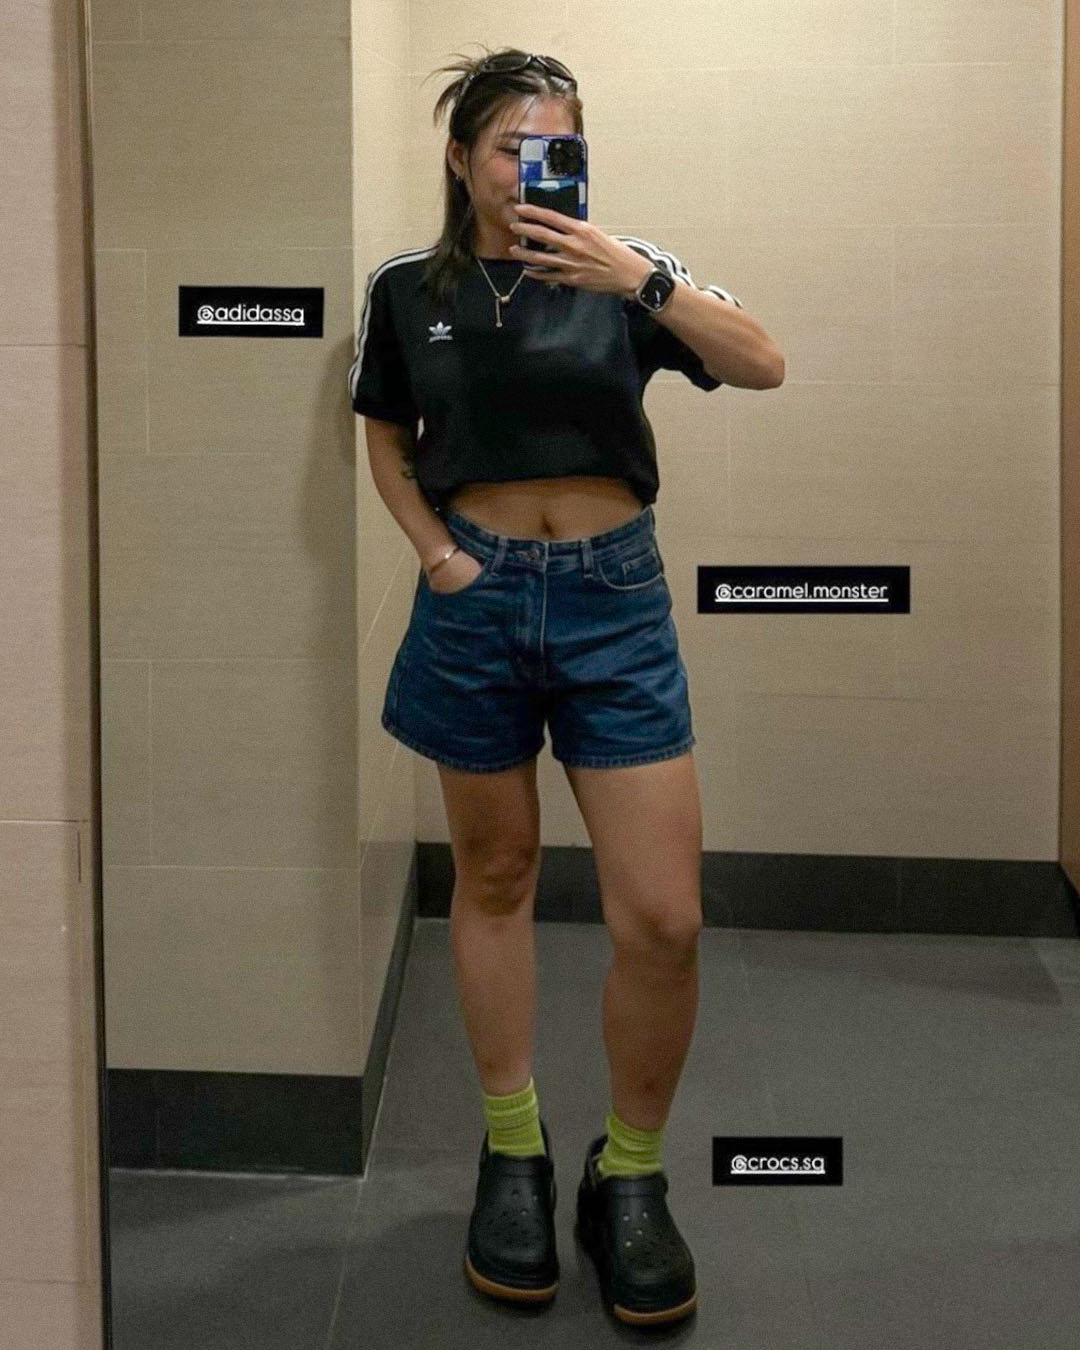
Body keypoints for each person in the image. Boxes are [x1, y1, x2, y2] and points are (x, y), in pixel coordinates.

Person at [347, 46, 783, 1328]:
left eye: (562, 148)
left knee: (664, 917)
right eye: (513, 146)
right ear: (460, 158)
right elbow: (385, 433)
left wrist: (636, 275)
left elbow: (764, 362)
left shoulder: (623, 271)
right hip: (474, 601)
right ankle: (515, 1154)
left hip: (613, 603)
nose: (539, 170)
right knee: (494, 879)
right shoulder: (408, 289)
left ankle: (629, 1175)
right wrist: (436, 554)